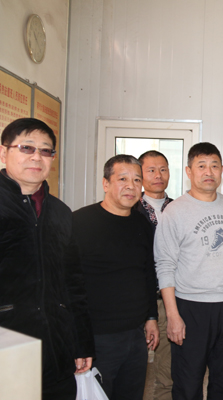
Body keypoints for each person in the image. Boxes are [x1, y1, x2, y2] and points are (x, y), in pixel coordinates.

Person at [0, 118, 94, 399]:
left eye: (45, 151)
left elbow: (73, 283)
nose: (36, 157)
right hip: (8, 349)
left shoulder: (61, 212)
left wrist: (81, 342)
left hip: (56, 349)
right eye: (27, 148)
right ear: (4, 152)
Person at [154, 142, 223, 400]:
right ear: (189, 171)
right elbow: (165, 265)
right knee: (188, 382)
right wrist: (173, 315)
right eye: (201, 166)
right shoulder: (174, 211)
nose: (208, 171)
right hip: (190, 307)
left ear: (221, 171)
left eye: (214, 166)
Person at [69, 154, 159, 400]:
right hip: (97, 337)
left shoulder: (142, 224)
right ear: (105, 183)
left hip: (135, 335)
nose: (131, 186)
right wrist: (79, 342)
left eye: (137, 180)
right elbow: (68, 285)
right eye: (123, 179)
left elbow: (148, 273)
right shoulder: (78, 222)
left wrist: (151, 317)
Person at [136, 150, 174, 400]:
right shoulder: (131, 208)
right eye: (151, 170)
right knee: (134, 367)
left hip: (171, 297)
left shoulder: (180, 208)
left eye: (163, 169)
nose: (158, 175)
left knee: (167, 368)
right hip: (139, 298)